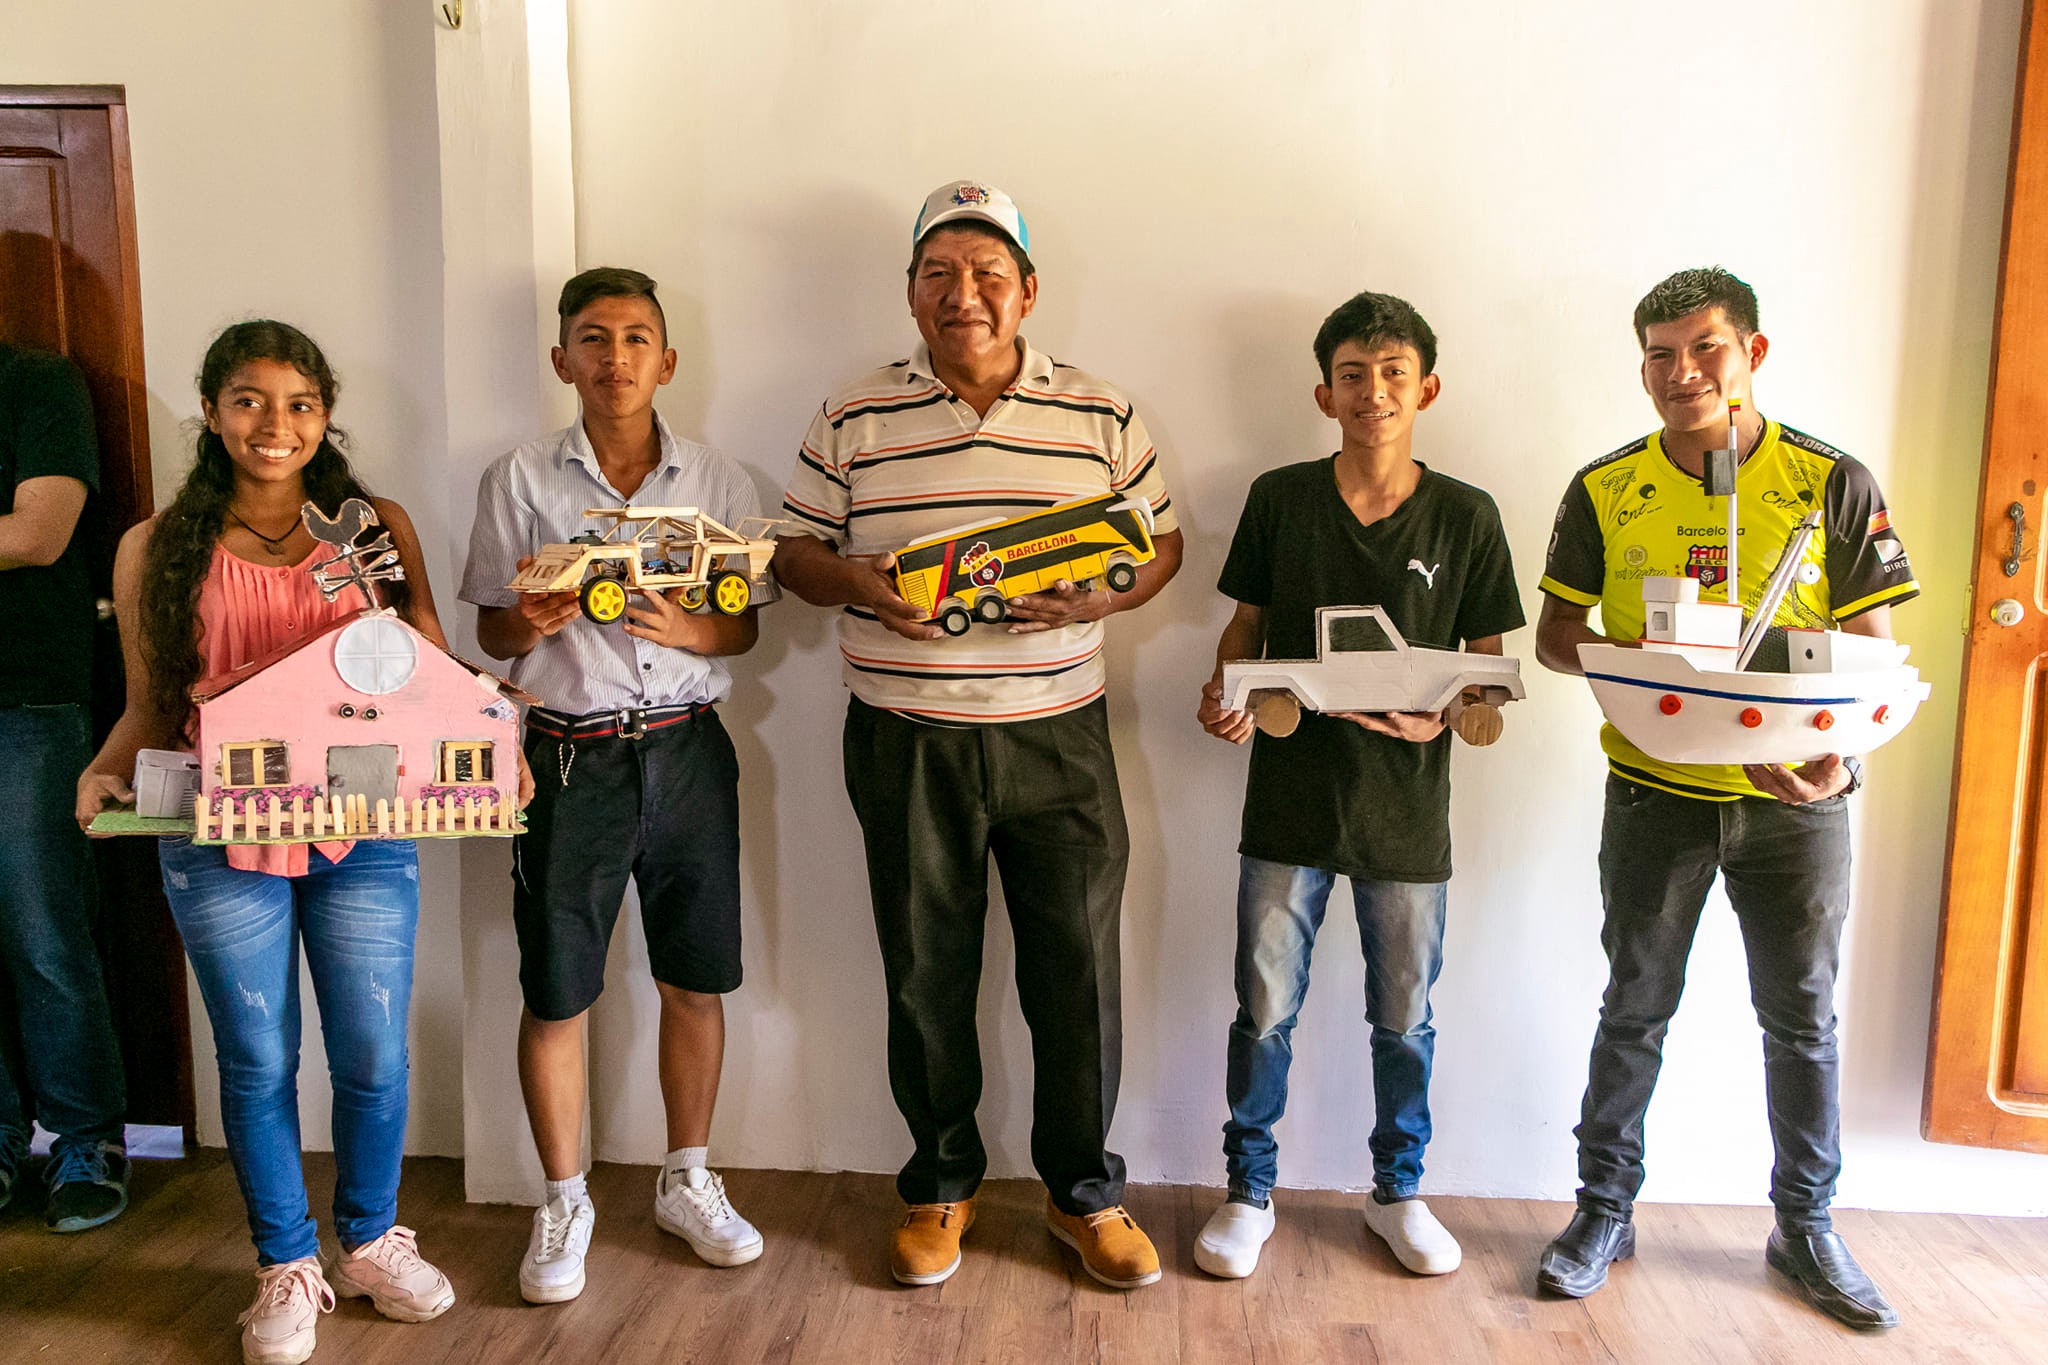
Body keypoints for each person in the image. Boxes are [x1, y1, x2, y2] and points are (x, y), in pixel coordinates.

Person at [773, 180, 1184, 1290]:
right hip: (906, 736)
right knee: (924, 969)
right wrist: (859, 582)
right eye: (939, 274)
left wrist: (1102, 595)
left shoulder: (1101, 413)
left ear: (1028, 291)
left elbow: (1161, 545)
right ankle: (940, 1183)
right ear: (910, 291)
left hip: (1060, 734)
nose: (964, 294)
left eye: (987, 274)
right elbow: (793, 552)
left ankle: (1082, 1192)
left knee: (1077, 972)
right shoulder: (852, 414)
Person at [1532, 267, 1919, 1330]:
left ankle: (1807, 1227)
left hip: (1796, 805)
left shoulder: (1831, 481)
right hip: (1652, 791)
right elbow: (1553, 637)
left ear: (1752, 353)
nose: (1682, 372)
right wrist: (1636, 658)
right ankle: (1601, 1211)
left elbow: (1874, 655)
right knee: (1633, 1006)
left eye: (1705, 348)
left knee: (1801, 1020)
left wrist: (1841, 762)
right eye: (1659, 355)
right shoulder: (1604, 486)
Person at [76, 321, 461, 1364]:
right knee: (256, 1057)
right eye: (248, 400)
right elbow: (150, 705)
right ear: (210, 412)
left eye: (299, 403)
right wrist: (102, 769)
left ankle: (371, 1239)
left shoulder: (372, 527)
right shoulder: (157, 546)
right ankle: (285, 1263)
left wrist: (492, 743)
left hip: (363, 827)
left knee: (373, 1052)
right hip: (218, 830)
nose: (274, 424)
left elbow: (429, 669)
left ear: (325, 414)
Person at [1190, 292, 1523, 1279]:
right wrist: (1224, 692)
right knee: (1261, 1009)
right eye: (1350, 374)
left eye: (1390, 373)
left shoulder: (1467, 515)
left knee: (1405, 1017)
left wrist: (1447, 714)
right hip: (1286, 800)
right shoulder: (1280, 498)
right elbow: (1244, 631)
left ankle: (1398, 1192)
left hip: (1407, 812)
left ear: (1426, 388)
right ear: (1323, 393)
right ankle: (1247, 1192)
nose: (1371, 391)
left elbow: (1489, 673)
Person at [461, 267, 766, 1306]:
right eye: (593, 338)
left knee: (696, 975)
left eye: (636, 338)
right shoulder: (516, 478)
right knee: (557, 987)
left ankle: (687, 1177)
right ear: (562, 359)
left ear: (667, 360)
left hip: (688, 749)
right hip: (565, 754)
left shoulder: (717, 477)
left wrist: (690, 627)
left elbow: (742, 624)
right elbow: (489, 627)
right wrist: (528, 619)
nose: (615, 357)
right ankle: (562, 1198)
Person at [0, 340, 128, 1232]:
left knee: (45, 932)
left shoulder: (34, 381)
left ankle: (86, 1137)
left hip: (27, 696)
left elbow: (37, 533)